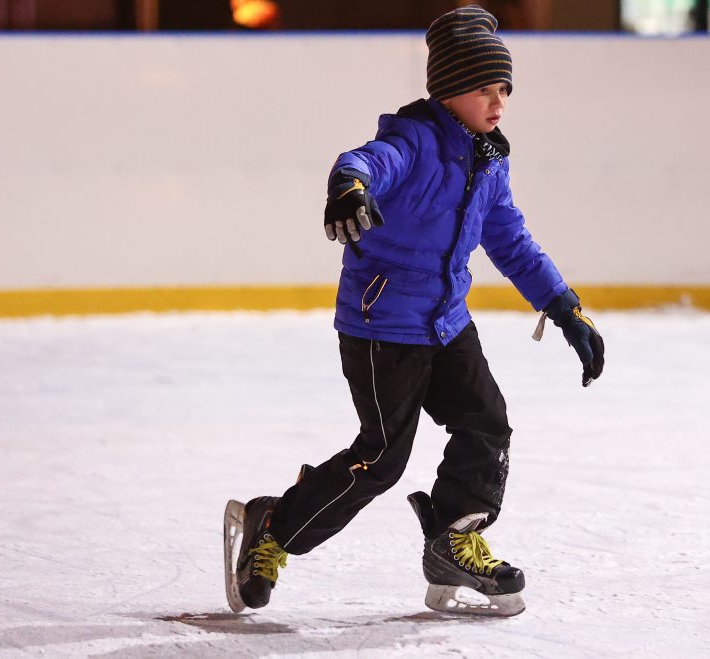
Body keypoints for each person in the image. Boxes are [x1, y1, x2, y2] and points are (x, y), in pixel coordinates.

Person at [225, 4, 604, 617]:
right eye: (484, 88)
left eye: (504, 88)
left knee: (486, 423)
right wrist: (349, 185)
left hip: (448, 323)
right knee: (380, 459)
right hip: (384, 327)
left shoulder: (490, 162)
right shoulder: (415, 139)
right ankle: (273, 527)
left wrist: (563, 306)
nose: (498, 101)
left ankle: (455, 537)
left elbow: (510, 241)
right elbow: (367, 161)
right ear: (450, 90)